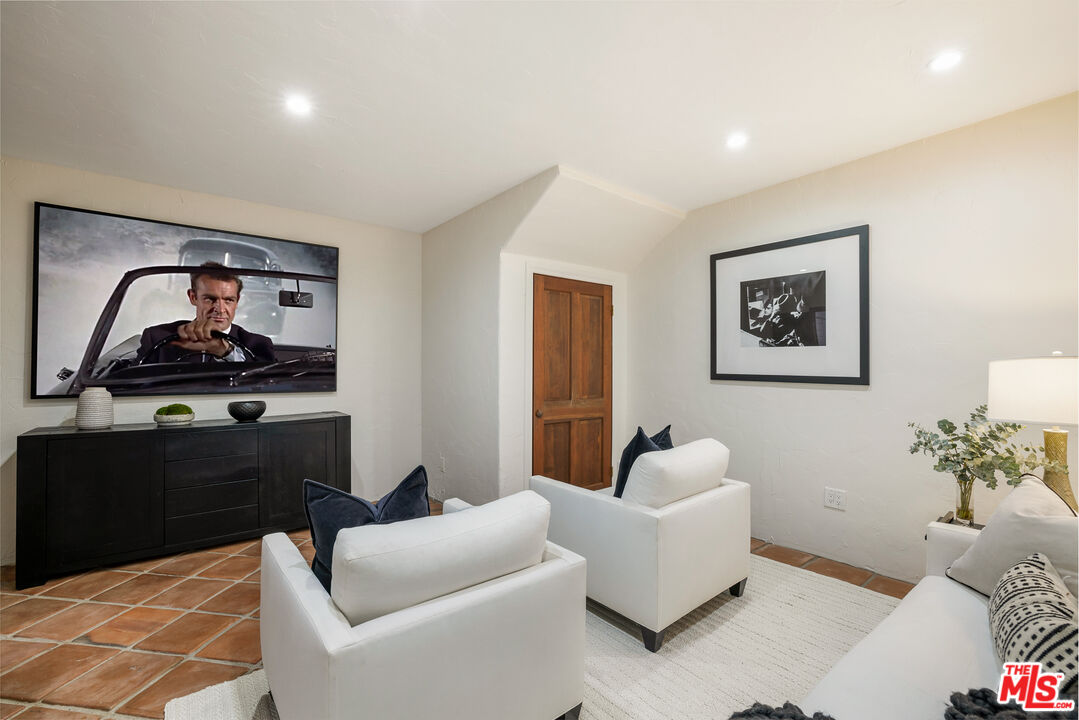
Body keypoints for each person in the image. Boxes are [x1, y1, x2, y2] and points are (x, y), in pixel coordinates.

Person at [136, 262, 275, 364]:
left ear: (237, 301)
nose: (220, 309)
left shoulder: (258, 345)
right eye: (210, 299)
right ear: (193, 297)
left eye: (228, 300)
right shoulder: (157, 338)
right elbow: (133, 388)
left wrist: (225, 351)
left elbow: (263, 385)